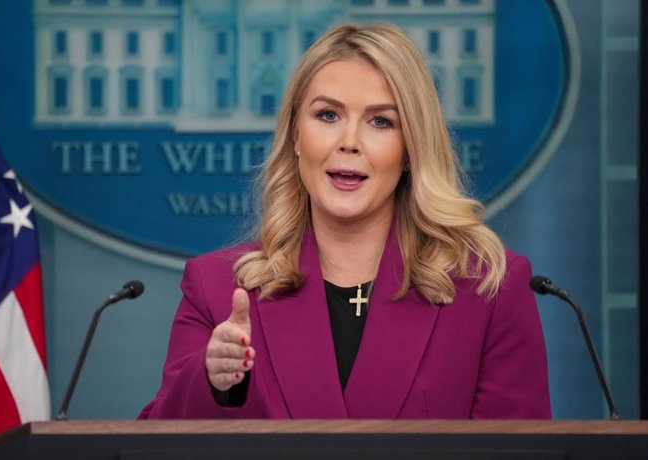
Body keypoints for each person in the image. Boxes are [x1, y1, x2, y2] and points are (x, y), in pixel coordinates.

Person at [139, 23, 551, 419]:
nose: (349, 142)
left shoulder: (488, 288)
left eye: (380, 121)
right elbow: (156, 446)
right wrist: (213, 383)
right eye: (328, 116)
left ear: (411, 149)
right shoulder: (217, 287)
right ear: (296, 136)